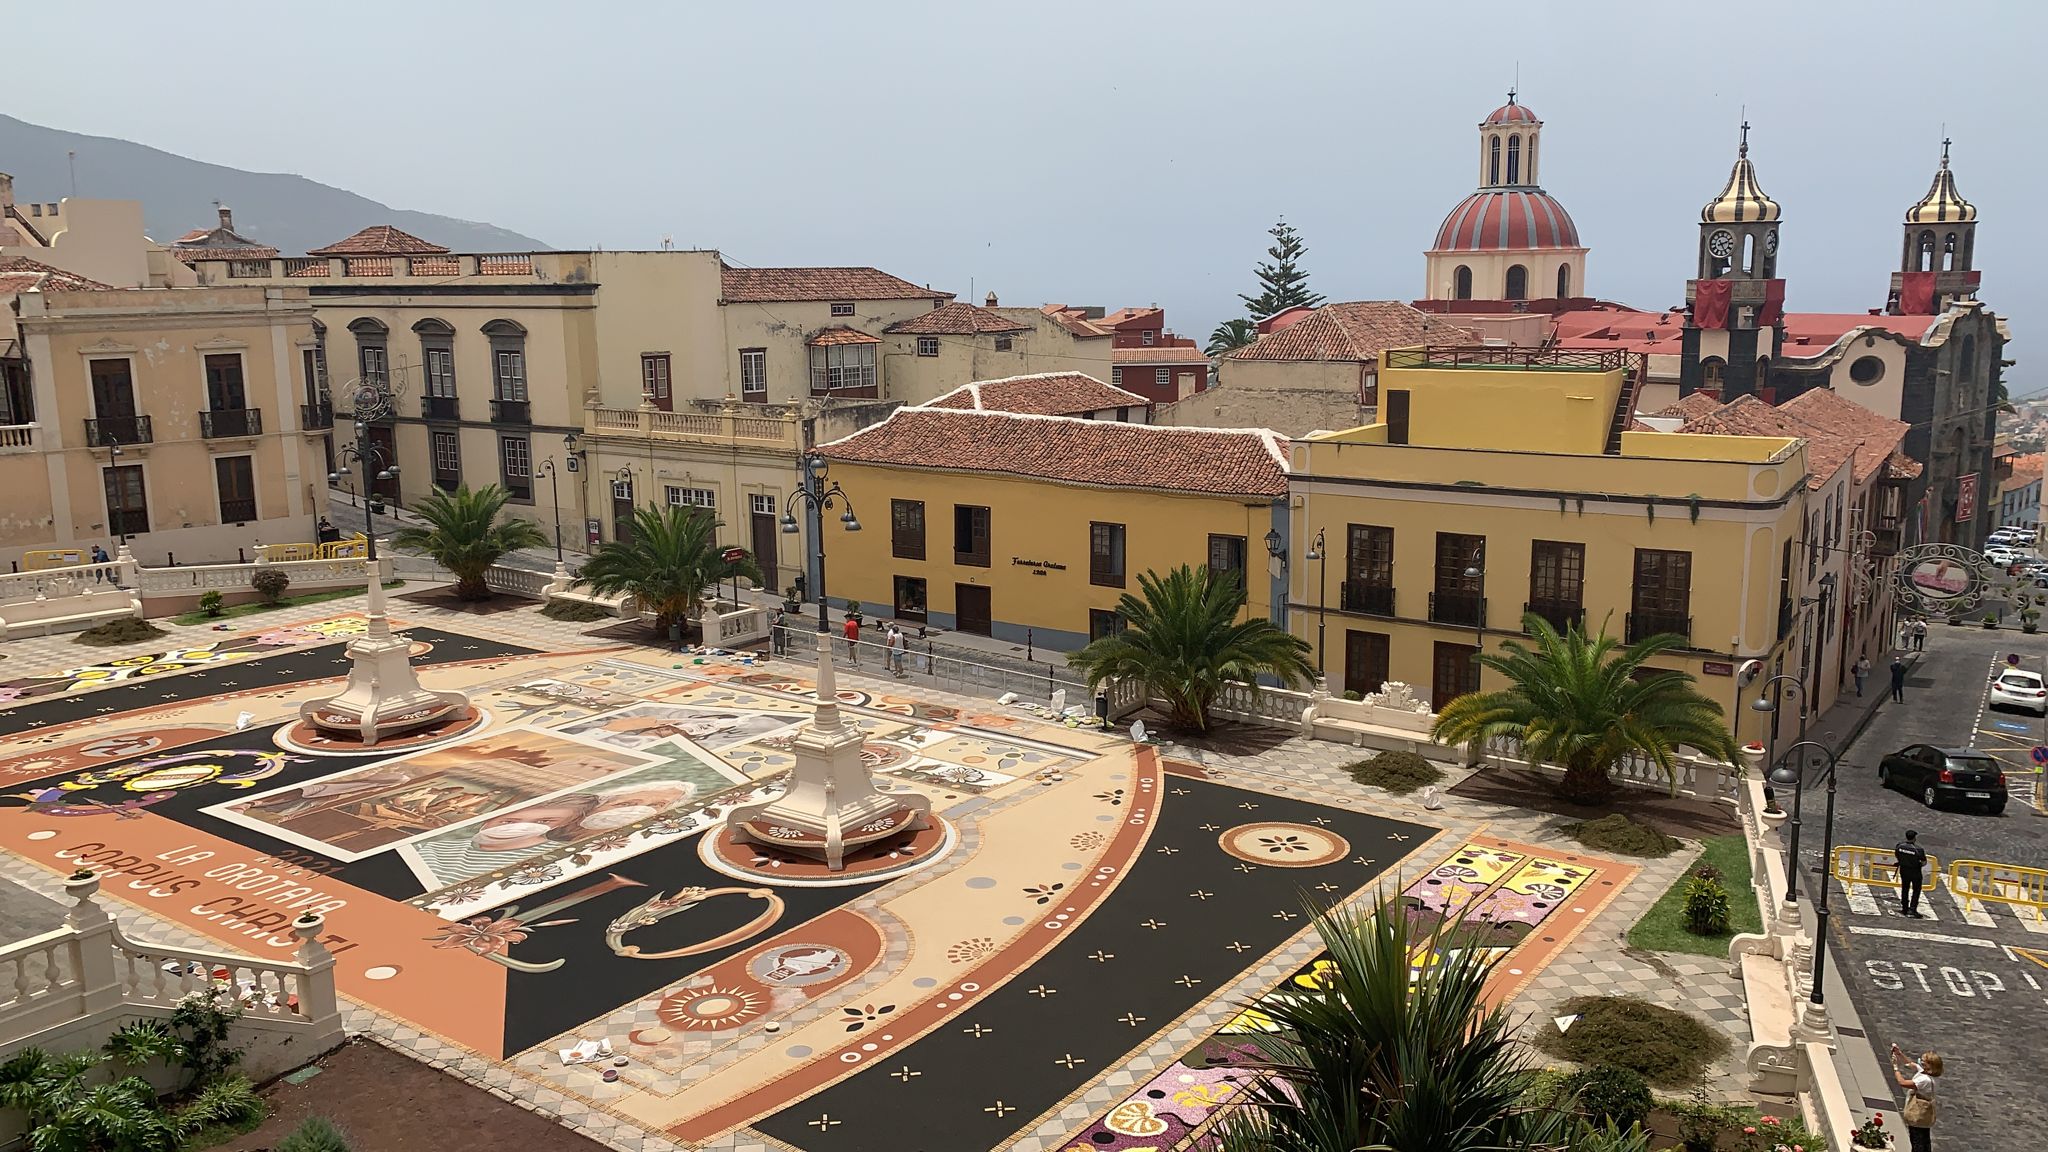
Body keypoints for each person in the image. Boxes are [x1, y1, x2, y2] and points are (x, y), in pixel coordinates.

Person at [1889, 1044, 1942, 1151]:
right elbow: (1910, 1063)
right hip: (1924, 1116)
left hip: (1918, 1113)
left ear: (1929, 1066)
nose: (1920, 1062)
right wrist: (1899, 1054)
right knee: (1924, 1139)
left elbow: (1902, 1082)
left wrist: (1895, 1067)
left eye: (1923, 1061)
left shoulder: (1924, 1080)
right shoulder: (1928, 1074)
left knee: (1917, 1140)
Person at [1895, 829, 1929, 917]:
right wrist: (1917, 865)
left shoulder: (1900, 846)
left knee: (1905, 888)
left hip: (1904, 870)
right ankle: (1912, 910)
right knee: (1916, 890)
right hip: (1915, 872)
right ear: (1914, 838)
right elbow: (1924, 862)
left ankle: (1904, 908)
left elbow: (1897, 855)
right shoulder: (1918, 849)